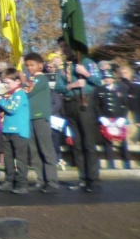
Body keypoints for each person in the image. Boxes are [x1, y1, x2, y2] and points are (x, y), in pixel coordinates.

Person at [54, 36, 103, 192]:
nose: (64, 49)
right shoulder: (63, 67)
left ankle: (93, 179)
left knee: (88, 143)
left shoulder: (86, 62)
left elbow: (99, 81)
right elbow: (59, 87)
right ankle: (82, 178)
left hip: (85, 104)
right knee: (77, 144)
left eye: (66, 45)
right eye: (61, 47)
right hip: (70, 105)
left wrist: (86, 74)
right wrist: (73, 85)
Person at [24, 52, 59, 193]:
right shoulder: (31, 79)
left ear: (40, 65)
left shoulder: (40, 78)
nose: (29, 68)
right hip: (30, 117)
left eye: (32, 65)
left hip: (40, 117)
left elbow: (29, 92)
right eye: (27, 66)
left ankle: (51, 181)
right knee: (34, 150)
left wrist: (22, 85)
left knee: (46, 148)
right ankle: (40, 179)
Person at [0, 69, 31, 194]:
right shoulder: (11, 95)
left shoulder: (20, 94)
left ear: (17, 81)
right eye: (4, 83)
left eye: (8, 83)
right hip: (7, 130)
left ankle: (22, 183)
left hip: (19, 131)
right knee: (8, 157)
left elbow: (12, 109)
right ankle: (9, 180)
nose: (6, 85)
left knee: (20, 158)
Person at [95, 70, 130, 169]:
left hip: (118, 119)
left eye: (109, 78)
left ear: (113, 79)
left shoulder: (119, 90)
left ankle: (127, 162)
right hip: (106, 119)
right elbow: (97, 106)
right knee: (108, 141)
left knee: (123, 141)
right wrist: (101, 117)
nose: (107, 80)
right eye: (105, 78)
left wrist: (123, 117)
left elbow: (125, 105)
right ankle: (111, 163)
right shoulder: (99, 90)